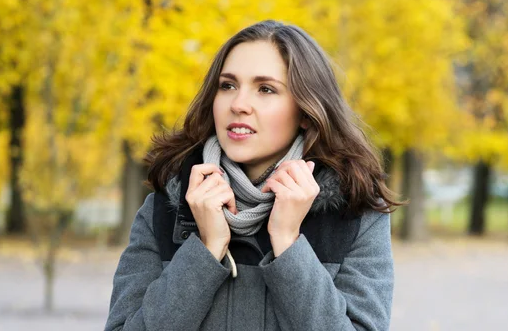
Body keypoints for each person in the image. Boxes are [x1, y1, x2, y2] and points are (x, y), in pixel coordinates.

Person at [105, 20, 402, 331]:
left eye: (265, 89)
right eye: (228, 85)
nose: (239, 104)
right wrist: (205, 251)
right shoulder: (164, 209)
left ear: (305, 111)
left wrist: (288, 243)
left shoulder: (357, 217)